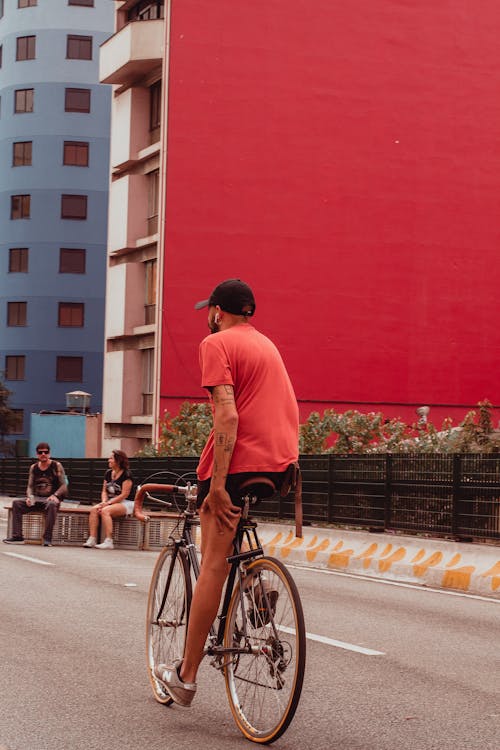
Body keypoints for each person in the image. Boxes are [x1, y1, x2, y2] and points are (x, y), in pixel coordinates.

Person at [153, 278, 299, 706]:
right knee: (233, 539)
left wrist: (215, 486)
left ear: (217, 312)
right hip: (280, 465)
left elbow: (228, 417)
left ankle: (185, 676)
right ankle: (254, 592)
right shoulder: (267, 345)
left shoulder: (215, 344)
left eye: (209, 312)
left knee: (213, 562)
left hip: (241, 464)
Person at [3, 442, 68, 547]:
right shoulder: (33, 467)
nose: (43, 454)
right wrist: (29, 497)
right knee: (17, 503)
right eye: (40, 452)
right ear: (37, 454)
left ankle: (47, 538)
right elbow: (29, 486)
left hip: (50, 500)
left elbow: (64, 486)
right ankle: (17, 536)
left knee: (51, 505)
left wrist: (55, 495)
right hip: (37, 499)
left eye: (46, 452)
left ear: (49, 453)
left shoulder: (56, 465)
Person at [83, 449, 135, 550]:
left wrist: (108, 504)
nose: (108, 460)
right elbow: (104, 491)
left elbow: (125, 494)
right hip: (111, 502)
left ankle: (109, 541)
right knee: (94, 509)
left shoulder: (127, 475)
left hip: (126, 503)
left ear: (118, 461)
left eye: (111, 458)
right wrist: (104, 501)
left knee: (105, 511)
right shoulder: (108, 473)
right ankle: (92, 539)